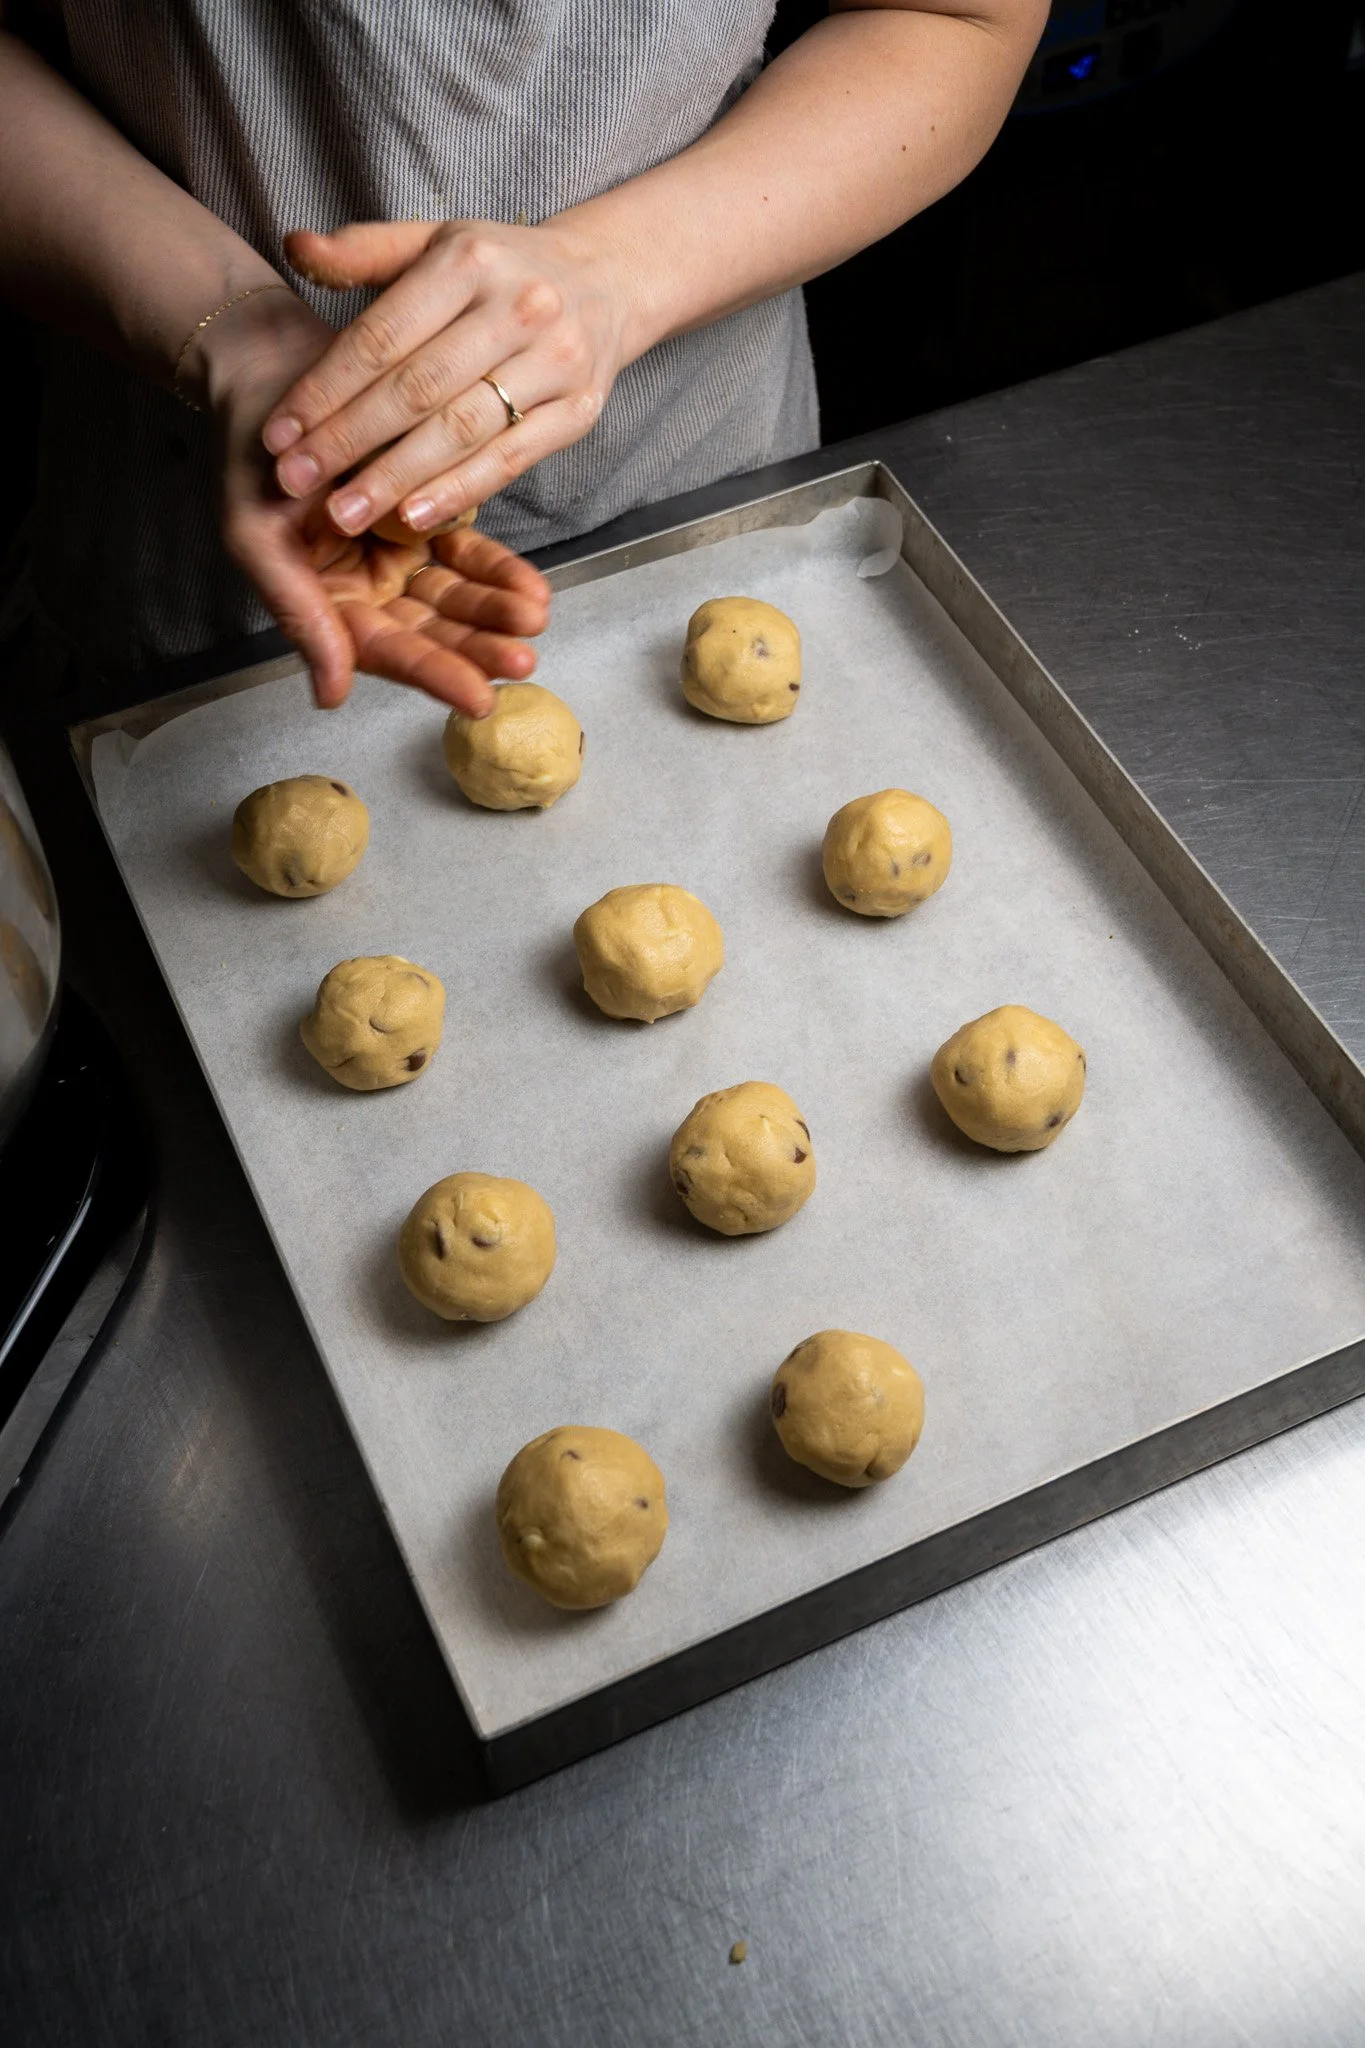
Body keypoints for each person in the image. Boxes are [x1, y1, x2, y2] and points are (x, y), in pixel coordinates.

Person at [0, 0, 1046, 714]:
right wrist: (226, 330)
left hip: (697, 491)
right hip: (187, 555)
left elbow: (954, 17)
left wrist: (624, 271)